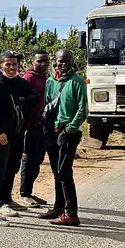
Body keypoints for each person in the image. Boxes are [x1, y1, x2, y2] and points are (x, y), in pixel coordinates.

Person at [0, 50, 39, 227]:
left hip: (16, 134)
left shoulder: (17, 83)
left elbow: (34, 97)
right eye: (8, 64)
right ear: (0, 66)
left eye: (14, 64)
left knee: (11, 168)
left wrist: (21, 101)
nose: (12, 67)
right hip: (0, 137)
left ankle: (4, 201)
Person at [35, 49, 88, 226]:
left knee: (65, 172)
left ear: (72, 62)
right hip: (52, 131)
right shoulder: (51, 81)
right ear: (55, 62)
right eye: (59, 61)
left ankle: (71, 214)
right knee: (57, 172)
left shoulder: (77, 82)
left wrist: (71, 128)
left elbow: (83, 110)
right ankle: (58, 208)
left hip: (68, 132)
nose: (62, 64)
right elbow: (47, 105)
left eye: (66, 61)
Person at [17, 50, 51, 207]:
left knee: (38, 160)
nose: (43, 64)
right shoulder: (28, 78)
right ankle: (24, 194)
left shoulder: (47, 78)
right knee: (28, 160)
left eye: (45, 61)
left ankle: (29, 192)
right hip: (30, 127)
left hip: (43, 126)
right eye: (39, 61)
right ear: (33, 62)